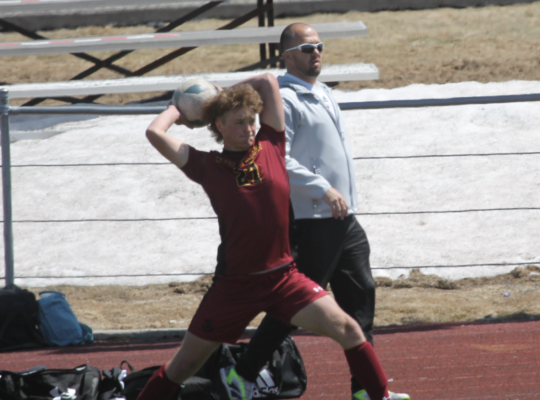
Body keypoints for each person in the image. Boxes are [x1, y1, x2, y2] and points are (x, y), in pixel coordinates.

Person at [136, 73, 397, 400]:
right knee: (182, 367)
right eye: (238, 122)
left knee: (349, 329)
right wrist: (180, 109)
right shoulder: (205, 164)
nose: (248, 128)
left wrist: (223, 93)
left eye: (251, 120)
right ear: (218, 125)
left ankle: (380, 397)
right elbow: (154, 132)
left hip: (283, 279)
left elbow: (267, 81)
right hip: (234, 287)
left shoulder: (272, 144)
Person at [232, 24, 410, 400]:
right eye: (307, 48)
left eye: (320, 46)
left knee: (361, 300)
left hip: (344, 218)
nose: (316, 53)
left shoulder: (324, 92)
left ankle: (367, 391)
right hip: (313, 218)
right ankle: (242, 373)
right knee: (296, 304)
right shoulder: (283, 99)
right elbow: (277, 159)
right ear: (287, 55)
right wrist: (322, 188)